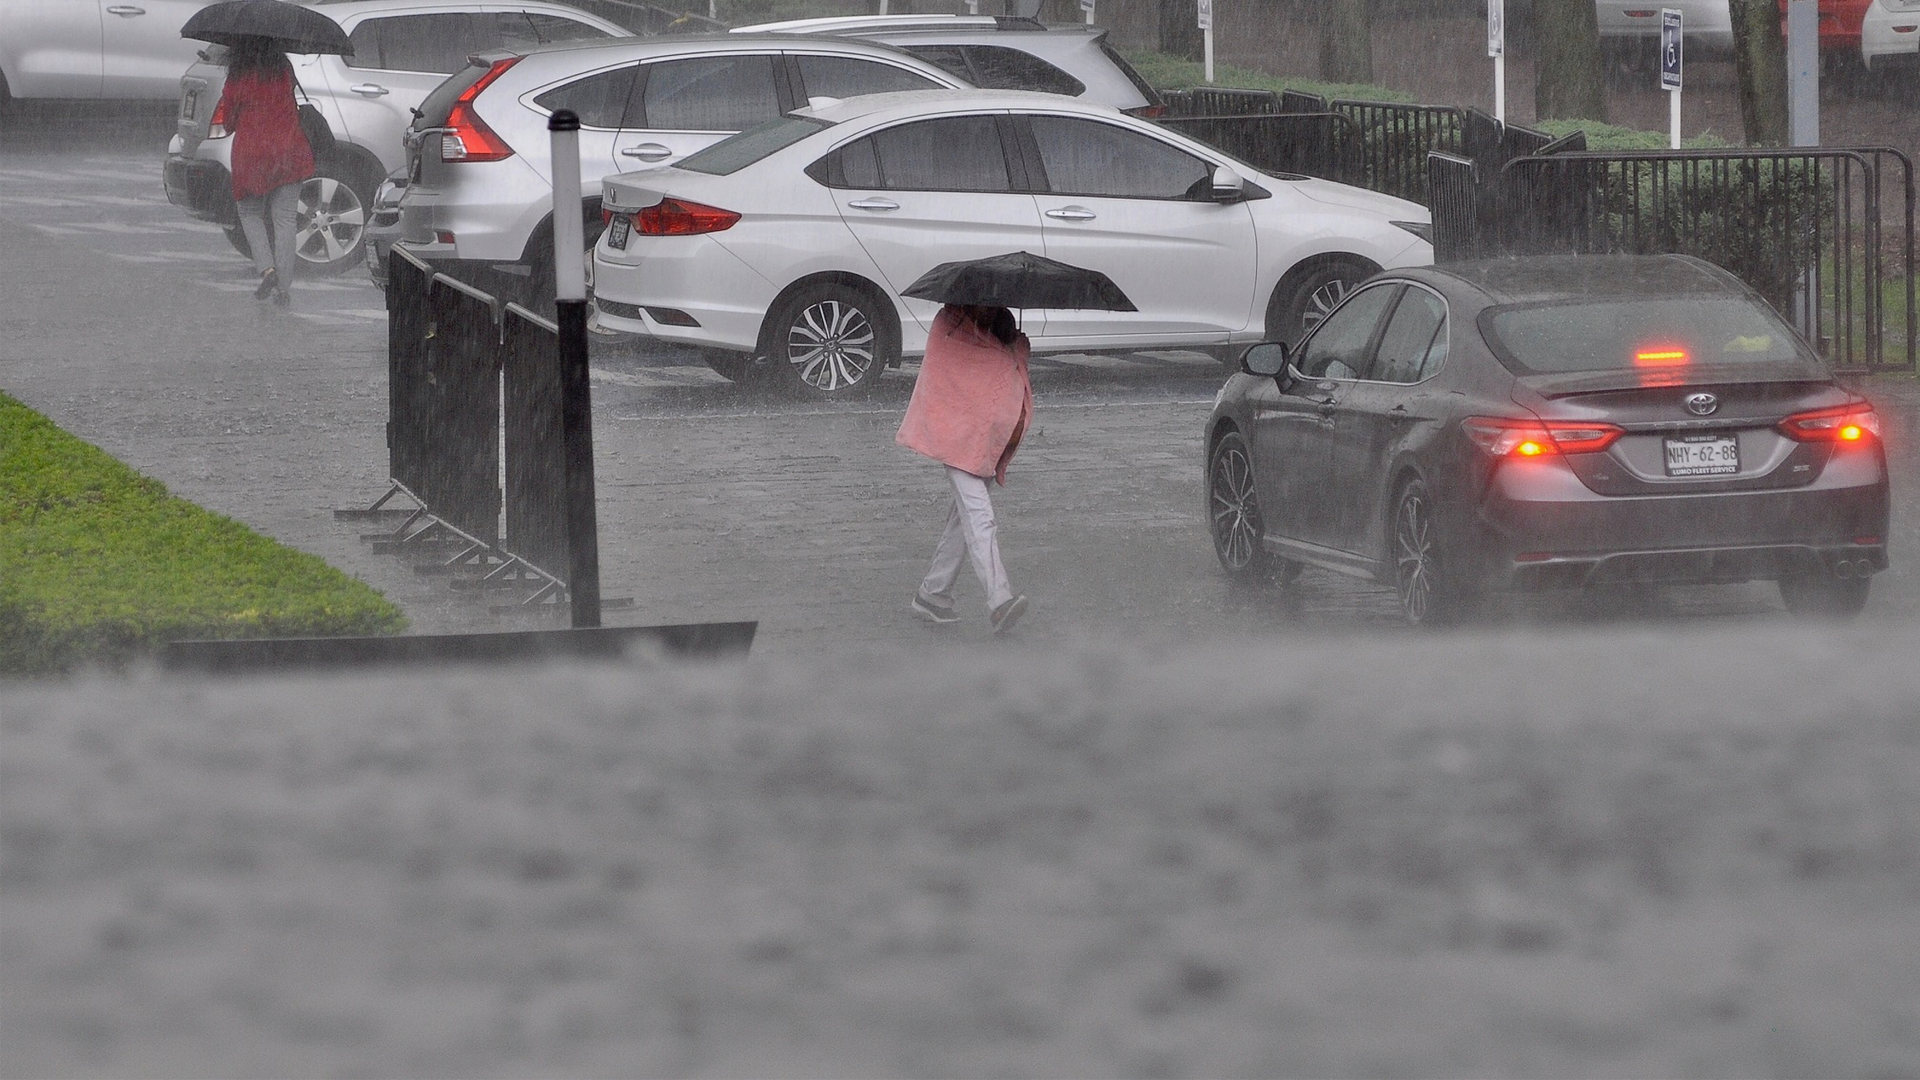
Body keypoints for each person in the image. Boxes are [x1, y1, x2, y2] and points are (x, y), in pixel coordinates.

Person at [896, 303, 1034, 634]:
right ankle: (1000, 599)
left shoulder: (1001, 323)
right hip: (955, 434)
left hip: (983, 438)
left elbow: (1001, 374)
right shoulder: (950, 325)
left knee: (962, 520)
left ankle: (933, 594)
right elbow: (955, 377)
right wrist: (1009, 354)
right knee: (978, 516)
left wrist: (1014, 346)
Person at [218, 37, 314, 307]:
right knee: (285, 221)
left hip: (252, 156)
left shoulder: (238, 78)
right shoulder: (284, 70)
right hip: (288, 151)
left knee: (250, 213)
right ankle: (283, 289)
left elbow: (228, 124)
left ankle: (268, 270)